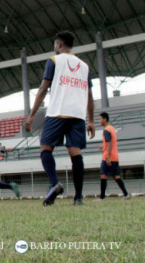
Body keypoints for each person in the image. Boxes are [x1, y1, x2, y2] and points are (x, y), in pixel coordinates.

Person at [25, 30, 95, 206]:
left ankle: (55, 184)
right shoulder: (84, 66)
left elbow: (43, 88)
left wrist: (32, 115)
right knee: (75, 153)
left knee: (45, 148)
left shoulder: (54, 60)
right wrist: (92, 120)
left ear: (60, 44)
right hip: (77, 115)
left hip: (57, 111)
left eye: (55, 44)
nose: (54, 47)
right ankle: (78, 196)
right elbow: (89, 95)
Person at [96, 112, 130, 201]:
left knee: (103, 175)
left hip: (108, 157)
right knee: (116, 176)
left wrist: (107, 157)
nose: (99, 121)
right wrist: (103, 146)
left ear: (105, 119)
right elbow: (111, 142)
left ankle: (102, 197)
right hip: (115, 157)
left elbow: (110, 142)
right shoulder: (112, 128)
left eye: (100, 119)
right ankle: (126, 194)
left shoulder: (106, 129)